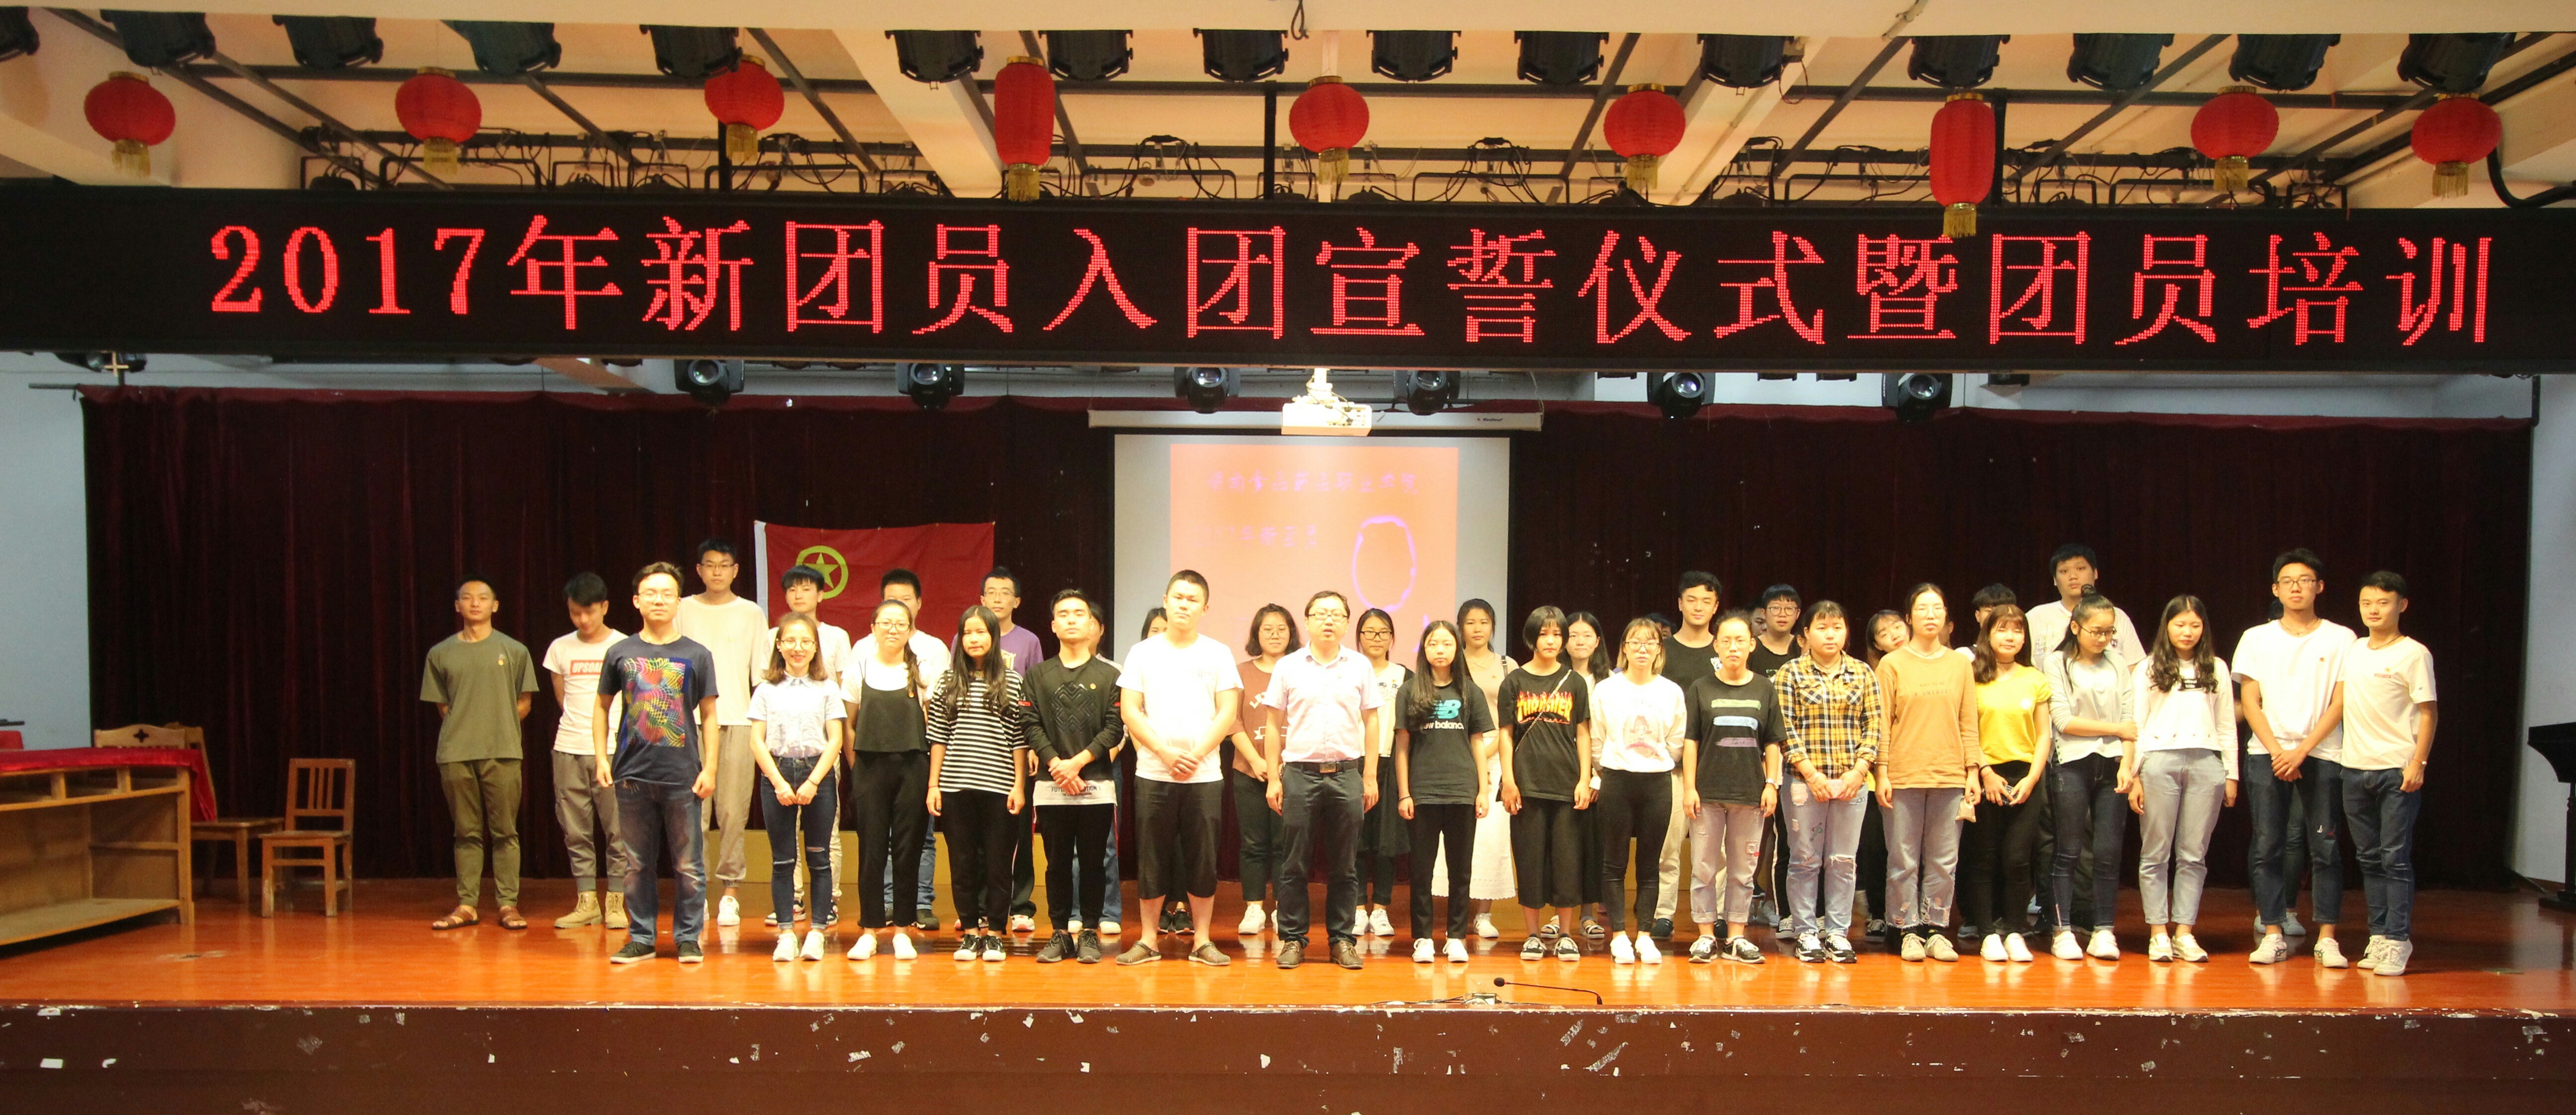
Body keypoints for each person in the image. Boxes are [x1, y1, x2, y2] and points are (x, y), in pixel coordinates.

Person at [2233, 549, 2357, 968]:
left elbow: (2341, 701)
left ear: (2319, 587)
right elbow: (2250, 701)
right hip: (2266, 754)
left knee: (2326, 847)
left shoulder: (2342, 638)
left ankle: (2328, 938)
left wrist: (2302, 750)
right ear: (2275, 589)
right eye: (2288, 581)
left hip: (2323, 752)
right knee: (2267, 845)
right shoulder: (2256, 638)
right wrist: (2278, 750)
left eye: (2305, 580)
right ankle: (2272, 932)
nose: (2296, 588)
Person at [594, 562, 722, 964]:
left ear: (678, 601)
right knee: (636, 864)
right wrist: (601, 757)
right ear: (637, 601)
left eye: (667, 594)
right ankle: (641, 937)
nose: (659, 600)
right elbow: (601, 707)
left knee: (688, 865)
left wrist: (710, 768)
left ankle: (688, 938)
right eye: (651, 593)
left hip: (683, 775)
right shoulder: (620, 652)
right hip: (631, 774)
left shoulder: (697, 655)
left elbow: (710, 715)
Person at [1117, 571, 1241, 966]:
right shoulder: (1142, 652)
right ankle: (1148, 940)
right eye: (1179, 597)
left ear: (1205, 608)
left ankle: (1202, 940)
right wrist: (1164, 753)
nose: (1184, 605)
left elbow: (1228, 712)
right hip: (1154, 772)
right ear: (1166, 601)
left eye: (1193, 599)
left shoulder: (1218, 653)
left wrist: (1197, 754)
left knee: (1203, 857)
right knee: (1151, 856)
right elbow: (1130, 710)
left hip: (1204, 775)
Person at [1257, 591, 1385, 970]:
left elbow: (1372, 721)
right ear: (1308, 620)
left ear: (1346, 622)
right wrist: (1274, 778)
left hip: (1346, 774)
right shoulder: (1288, 666)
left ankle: (1342, 940)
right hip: (1300, 775)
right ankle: (1293, 939)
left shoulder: (1360, 666)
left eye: (1336, 614)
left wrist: (1370, 775)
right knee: (1294, 863)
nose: (1329, 620)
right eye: (1321, 614)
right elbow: (1272, 724)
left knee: (1346, 864)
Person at [421, 575, 539, 933]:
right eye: (468, 598)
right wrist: (469, 726)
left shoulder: (514, 650)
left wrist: (496, 724)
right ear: (458, 606)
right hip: (456, 753)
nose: (475, 603)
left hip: (502, 751)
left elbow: (524, 702)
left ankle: (508, 904)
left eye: (483, 597)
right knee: (466, 832)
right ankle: (467, 904)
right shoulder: (441, 653)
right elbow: (443, 706)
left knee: (505, 831)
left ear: (495, 605)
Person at [2128, 594, 2239, 964]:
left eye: (2194, 625)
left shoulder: (2217, 668)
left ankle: (2185, 932)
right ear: (2167, 626)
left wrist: (2231, 774)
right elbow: (2137, 724)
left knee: (2194, 854)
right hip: (2159, 761)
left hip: (2206, 762)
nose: (2187, 632)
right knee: (2155, 852)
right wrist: (2135, 775)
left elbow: (2227, 725)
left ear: (2203, 628)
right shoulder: (2148, 668)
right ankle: (2158, 932)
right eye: (2180, 624)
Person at [2339, 571, 2438, 977]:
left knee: (2394, 858)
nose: (2374, 610)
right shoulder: (2354, 649)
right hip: (2353, 768)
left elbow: (2429, 712)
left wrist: (2418, 763)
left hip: (2397, 769)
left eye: (2383, 603)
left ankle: (2398, 939)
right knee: (2368, 858)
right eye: (2367, 603)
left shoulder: (2414, 654)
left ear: (2402, 605)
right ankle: (2378, 934)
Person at [1877, 583, 1980, 963]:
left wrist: (1973, 771)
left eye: (1938, 607)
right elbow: (1882, 724)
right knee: (1903, 859)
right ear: (1909, 618)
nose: (1931, 614)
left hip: (1950, 776)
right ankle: (1906, 930)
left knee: (1943, 860)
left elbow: (1969, 721)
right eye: (1922, 608)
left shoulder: (1959, 664)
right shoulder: (1892, 664)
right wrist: (1882, 773)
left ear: (1947, 616)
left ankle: (1935, 929)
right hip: (1903, 775)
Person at [926, 605, 1034, 963]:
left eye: (981, 632)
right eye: (967, 633)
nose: (974, 639)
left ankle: (997, 934)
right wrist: (934, 785)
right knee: (962, 863)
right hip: (955, 787)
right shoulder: (947, 682)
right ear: (960, 639)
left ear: (994, 637)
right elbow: (938, 737)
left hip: (1000, 787)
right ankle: (971, 933)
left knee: (1000, 864)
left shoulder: (1013, 681)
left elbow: (1019, 739)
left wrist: (1019, 786)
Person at [1775, 601, 1879, 964]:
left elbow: (1873, 726)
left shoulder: (1862, 672)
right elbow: (1784, 729)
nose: (1830, 635)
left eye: (1837, 627)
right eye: (1822, 628)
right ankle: (1806, 932)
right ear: (1806, 634)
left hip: (1852, 783)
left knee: (1843, 861)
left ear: (1846, 632)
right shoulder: (1790, 673)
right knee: (1805, 860)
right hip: (1803, 784)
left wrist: (1859, 771)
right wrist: (1812, 774)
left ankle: (1837, 933)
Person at [675, 539, 769, 931]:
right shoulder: (682, 608)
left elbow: (761, 675)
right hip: (689, 723)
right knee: (691, 812)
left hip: (737, 720)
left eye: (724, 565)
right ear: (699, 570)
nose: (717, 571)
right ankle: (694, 892)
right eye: (710, 565)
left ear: (735, 571)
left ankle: (730, 891)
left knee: (732, 811)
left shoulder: (750, 613)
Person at [840, 597, 939, 961]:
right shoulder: (859, 669)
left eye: (901, 623)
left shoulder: (922, 670)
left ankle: (902, 930)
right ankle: (869, 930)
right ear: (873, 629)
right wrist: (857, 765)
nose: (893, 629)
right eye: (886, 623)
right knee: (871, 850)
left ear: (910, 630)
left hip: (913, 767)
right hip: (869, 769)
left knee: (908, 850)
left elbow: (933, 723)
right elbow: (849, 725)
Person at [1683, 612, 1784, 963]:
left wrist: (1771, 784)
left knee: (1743, 871)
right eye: (1726, 641)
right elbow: (1692, 741)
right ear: (1716, 646)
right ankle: (1706, 936)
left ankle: (1737, 936)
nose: (1733, 647)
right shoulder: (1701, 688)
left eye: (1740, 640)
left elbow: (1772, 742)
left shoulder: (1764, 688)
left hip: (1750, 794)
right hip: (1707, 794)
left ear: (1752, 645)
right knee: (1704, 868)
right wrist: (1690, 788)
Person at [1029, 589, 1123, 964]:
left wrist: (1077, 764)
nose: (1071, 619)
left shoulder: (1111, 675)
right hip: (1051, 785)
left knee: (1094, 861)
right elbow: (1030, 724)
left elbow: (1115, 727)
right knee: (1056, 862)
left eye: (1079, 614)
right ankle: (1059, 932)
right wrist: (1057, 764)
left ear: (1092, 625)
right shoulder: (1038, 675)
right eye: (1064, 614)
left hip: (1095, 784)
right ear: (1053, 626)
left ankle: (1089, 932)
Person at [757, 564, 853, 931]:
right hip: (779, 763)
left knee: (824, 839)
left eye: (807, 588)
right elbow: (758, 730)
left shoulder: (836, 641)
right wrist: (777, 779)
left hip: (821, 758)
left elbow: (840, 706)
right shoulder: (770, 659)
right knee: (784, 846)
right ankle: (792, 901)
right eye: (792, 589)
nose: (798, 648)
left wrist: (820, 773)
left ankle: (827, 906)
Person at [2043, 592, 2136, 961]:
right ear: (2075, 627)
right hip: (2072, 761)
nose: (2103, 639)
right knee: (2068, 849)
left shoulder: (2118, 662)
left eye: (2109, 632)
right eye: (2096, 631)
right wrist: (2115, 729)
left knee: (2108, 853)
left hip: (2114, 762)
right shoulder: (2057, 662)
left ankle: (2104, 930)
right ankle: (2062, 930)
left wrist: (2128, 765)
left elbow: (2130, 721)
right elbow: (2064, 720)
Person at [1498, 606, 1594, 962]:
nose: (1551, 641)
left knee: (1567, 862)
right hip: (1527, 785)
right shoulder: (1514, 681)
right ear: (1531, 639)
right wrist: (1509, 781)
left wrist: (1584, 779)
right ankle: (1533, 935)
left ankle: (1566, 934)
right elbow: (1506, 735)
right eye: (1544, 634)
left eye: (1557, 634)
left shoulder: (1574, 682)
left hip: (1567, 786)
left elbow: (1583, 733)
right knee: (1530, 861)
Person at [747, 613, 843, 962]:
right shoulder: (766, 689)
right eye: (790, 641)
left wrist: (814, 781)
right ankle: (786, 934)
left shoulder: (827, 688)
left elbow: (836, 740)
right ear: (779, 645)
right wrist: (778, 782)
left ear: (816, 647)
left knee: (819, 858)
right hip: (778, 772)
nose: (798, 648)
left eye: (806, 641)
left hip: (818, 773)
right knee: (783, 860)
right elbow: (757, 741)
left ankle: (817, 932)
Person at [1397, 620, 1494, 964]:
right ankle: (1423, 938)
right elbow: (1402, 746)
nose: (1440, 650)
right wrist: (1404, 793)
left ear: (1457, 649)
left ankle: (1456, 937)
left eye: (1447, 644)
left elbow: (1478, 742)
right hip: (1423, 793)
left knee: (1461, 871)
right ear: (1424, 649)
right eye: (1433, 644)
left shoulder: (1470, 691)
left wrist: (1483, 790)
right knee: (1421, 872)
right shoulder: (1410, 691)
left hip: (1462, 792)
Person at [1592, 618, 1686, 965]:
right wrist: (1608, 767)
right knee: (1613, 862)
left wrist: (1655, 760)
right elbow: (1597, 739)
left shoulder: (1671, 691)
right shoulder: (1607, 689)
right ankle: (1619, 935)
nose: (1642, 649)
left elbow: (1677, 742)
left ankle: (1644, 935)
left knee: (1650, 864)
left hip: (1658, 782)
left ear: (1659, 650)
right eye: (1635, 642)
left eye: (1650, 643)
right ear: (1625, 648)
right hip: (1617, 779)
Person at [1962, 605, 2051, 963]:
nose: (2010, 637)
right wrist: (1985, 772)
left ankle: (2014, 931)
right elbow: (1967, 730)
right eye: (2002, 629)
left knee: (2017, 859)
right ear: (1988, 635)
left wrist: (2032, 778)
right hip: (1984, 775)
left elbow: (2044, 736)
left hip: (2026, 778)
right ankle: (1987, 933)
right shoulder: (1972, 677)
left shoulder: (2035, 679)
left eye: (2017, 630)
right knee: (1983, 858)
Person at [543, 572, 629, 931]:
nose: (583, 620)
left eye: (589, 612)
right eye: (575, 613)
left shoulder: (623, 646)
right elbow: (562, 699)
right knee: (575, 830)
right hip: (568, 748)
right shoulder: (560, 648)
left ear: (605, 607)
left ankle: (617, 902)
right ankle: (586, 902)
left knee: (618, 830)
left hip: (612, 751)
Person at [1438, 599, 1520, 938]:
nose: (1477, 629)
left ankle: (1484, 915)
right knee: (1453, 836)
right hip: (1455, 752)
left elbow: (1510, 720)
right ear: (1460, 627)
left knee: (1491, 835)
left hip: (1498, 752)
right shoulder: (1449, 662)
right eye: (1470, 622)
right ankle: (1453, 915)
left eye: (1484, 622)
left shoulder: (1507, 665)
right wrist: (1471, 758)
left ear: (1493, 626)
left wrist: (1485, 756)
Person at [879, 569, 952, 934]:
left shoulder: (934, 649)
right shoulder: (865, 649)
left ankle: (921, 903)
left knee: (922, 835)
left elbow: (938, 705)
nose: (899, 606)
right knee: (884, 835)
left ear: (919, 604)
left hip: (920, 754)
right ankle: (889, 902)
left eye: (906, 599)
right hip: (878, 755)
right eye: (891, 600)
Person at [1652, 573, 1723, 942]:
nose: (1698, 607)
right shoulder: (1663, 651)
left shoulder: (1724, 649)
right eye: (1691, 600)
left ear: (1716, 607)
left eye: (1706, 601)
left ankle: (1719, 914)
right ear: (1679, 604)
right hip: (1672, 765)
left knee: (1717, 851)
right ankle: (1663, 913)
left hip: (1717, 765)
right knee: (1667, 847)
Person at [977, 567, 1047, 934]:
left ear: (1017, 601)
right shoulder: (968, 635)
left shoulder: (1029, 641)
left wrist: (1034, 745)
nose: (998, 598)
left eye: (1005, 592)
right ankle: (979, 907)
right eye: (992, 592)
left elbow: (1035, 695)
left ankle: (1020, 906)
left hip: (1015, 750)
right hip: (976, 749)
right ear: (982, 599)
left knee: (1019, 831)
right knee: (977, 835)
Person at [1227, 604, 1299, 940]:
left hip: (1292, 772)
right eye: (1267, 629)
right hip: (1249, 770)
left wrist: (1282, 766)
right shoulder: (1240, 672)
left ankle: (1285, 907)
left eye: (1282, 628)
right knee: (1253, 843)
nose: (1275, 634)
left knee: (1287, 844)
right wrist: (1256, 761)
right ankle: (1254, 907)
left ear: (1292, 633)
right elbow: (1232, 720)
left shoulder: (1300, 670)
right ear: (1256, 633)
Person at [1355, 608, 1411, 939]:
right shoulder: (1347, 671)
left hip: (1391, 763)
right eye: (1369, 632)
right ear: (1359, 637)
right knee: (1356, 840)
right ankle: (1358, 908)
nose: (1376, 639)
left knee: (1386, 841)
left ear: (1392, 638)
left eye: (1383, 632)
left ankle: (1381, 909)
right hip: (1353, 762)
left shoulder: (1404, 676)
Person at [1857, 608, 1906, 940]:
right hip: (1877, 776)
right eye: (1884, 633)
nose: (1894, 635)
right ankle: (1877, 913)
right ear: (1876, 644)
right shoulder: (1872, 676)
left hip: (1915, 773)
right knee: (1875, 848)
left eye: (1897, 627)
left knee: (1909, 853)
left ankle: (1908, 916)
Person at [1563, 611, 1612, 941]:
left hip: (1600, 777)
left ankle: (1588, 915)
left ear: (1597, 642)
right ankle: (1560, 915)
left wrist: (1597, 778)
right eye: (1573, 635)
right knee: (1561, 848)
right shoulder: (1555, 678)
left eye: (1587, 635)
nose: (1580, 641)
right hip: (1561, 771)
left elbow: (1613, 734)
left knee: (1592, 848)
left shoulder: (1610, 683)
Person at [2025, 544, 2147, 665]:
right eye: (2064, 571)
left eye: (2080, 569)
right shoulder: (2036, 617)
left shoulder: (2117, 616)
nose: (2073, 576)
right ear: (2055, 580)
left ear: (2095, 573)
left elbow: (2134, 666)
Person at [1749, 586, 1803, 677]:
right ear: (1764, 613)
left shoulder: (1803, 647)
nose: (1782, 614)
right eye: (1776, 608)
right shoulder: (1750, 648)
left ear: (1798, 614)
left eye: (1789, 609)